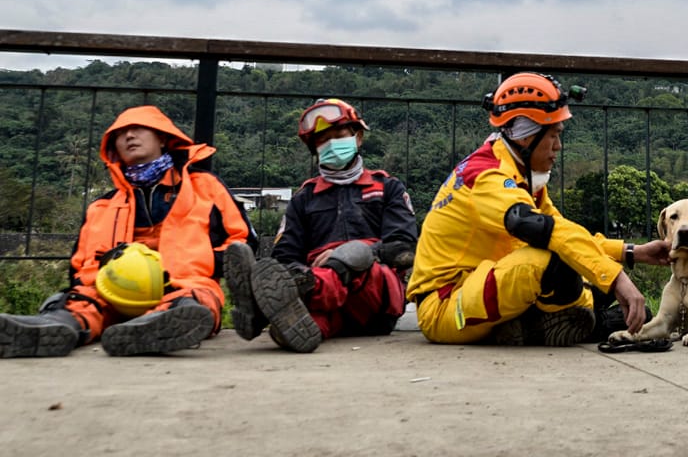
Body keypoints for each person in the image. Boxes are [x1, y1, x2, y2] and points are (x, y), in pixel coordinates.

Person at [405, 72, 671, 347]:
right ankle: (588, 322)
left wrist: (631, 252)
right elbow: (538, 227)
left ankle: (543, 324)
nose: (558, 146)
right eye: (553, 135)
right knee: (557, 265)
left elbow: (565, 234)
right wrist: (616, 280)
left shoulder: (521, 175)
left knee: (579, 259)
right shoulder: (486, 175)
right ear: (526, 136)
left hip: (484, 284)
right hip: (445, 305)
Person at [0, 105, 257, 358]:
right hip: (112, 291)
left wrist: (203, 262)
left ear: (163, 138)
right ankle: (54, 326)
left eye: (138, 129)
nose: (129, 136)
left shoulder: (205, 186)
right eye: (120, 134)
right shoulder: (101, 206)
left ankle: (158, 325)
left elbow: (243, 239)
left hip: (182, 283)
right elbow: (79, 268)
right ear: (113, 147)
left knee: (196, 298)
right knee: (82, 302)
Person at [225, 98, 418, 353]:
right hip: (328, 304)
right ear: (315, 149)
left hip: (374, 300)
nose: (331, 144)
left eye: (339, 136)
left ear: (358, 137)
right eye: (323, 140)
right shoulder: (304, 198)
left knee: (355, 256)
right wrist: (301, 272)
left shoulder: (387, 187)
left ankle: (263, 308)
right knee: (308, 321)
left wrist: (343, 257)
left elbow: (404, 249)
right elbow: (285, 256)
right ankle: (290, 324)